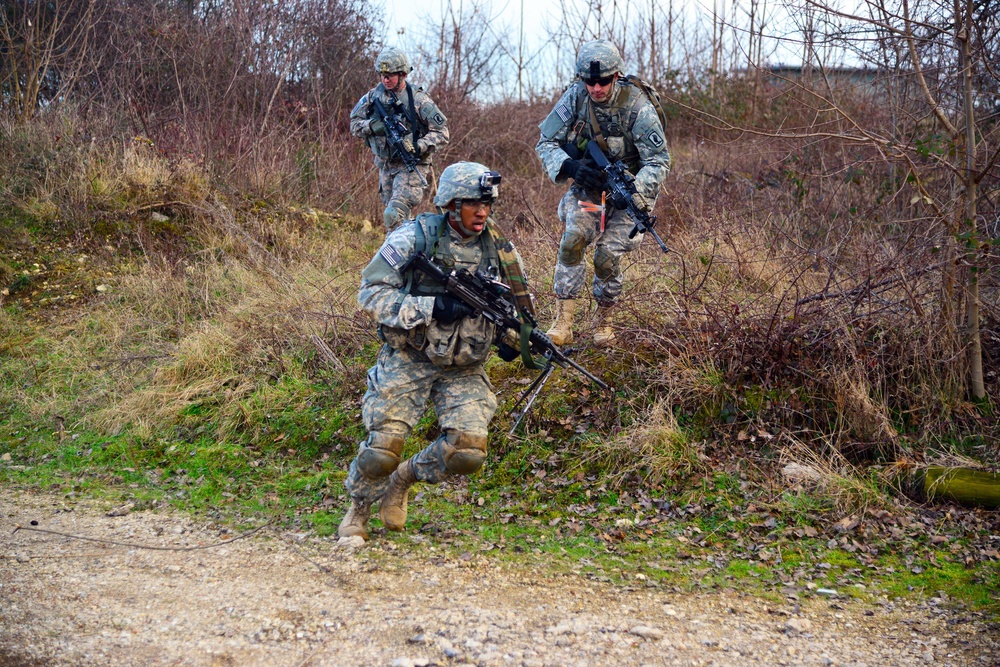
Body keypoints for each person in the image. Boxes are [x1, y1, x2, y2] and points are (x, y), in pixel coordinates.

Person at [338, 162, 532, 541]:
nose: (482, 212)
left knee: (469, 451)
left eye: (487, 204)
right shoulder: (415, 237)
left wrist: (517, 341)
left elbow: (518, 310)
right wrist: (431, 308)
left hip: (464, 363)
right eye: (473, 203)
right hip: (409, 357)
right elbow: (370, 293)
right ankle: (359, 508)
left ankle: (404, 479)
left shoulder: (500, 249)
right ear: (451, 204)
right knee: (382, 450)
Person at [535, 39, 671, 348]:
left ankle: (604, 321)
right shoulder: (575, 97)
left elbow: (659, 160)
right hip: (592, 193)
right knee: (573, 241)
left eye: (603, 81)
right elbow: (545, 142)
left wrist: (636, 191)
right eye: (590, 81)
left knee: (606, 256)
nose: (596, 88)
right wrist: (570, 167)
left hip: (630, 194)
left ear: (617, 76)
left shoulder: (637, 105)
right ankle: (564, 322)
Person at [350, 47, 450, 230]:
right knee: (397, 222)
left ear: (403, 74)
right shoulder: (373, 97)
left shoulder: (419, 100)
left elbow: (442, 133)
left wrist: (418, 145)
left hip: (412, 164)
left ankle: (392, 256)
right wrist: (371, 126)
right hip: (386, 165)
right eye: (382, 75)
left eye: (390, 76)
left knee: (394, 214)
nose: (385, 80)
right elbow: (354, 124)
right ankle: (409, 251)